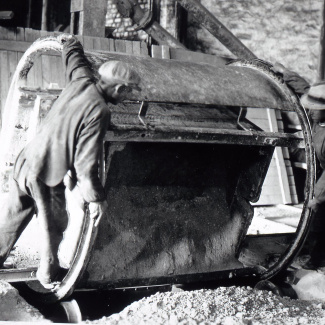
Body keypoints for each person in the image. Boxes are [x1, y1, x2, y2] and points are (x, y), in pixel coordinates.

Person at [0, 34, 141, 289]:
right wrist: (96, 198)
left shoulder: (82, 80)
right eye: (129, 92)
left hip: (26, 158)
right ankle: (48, 276)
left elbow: (75, 60)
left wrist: (71, 43)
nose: (128, 97)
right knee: (55, 225)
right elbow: (85, 163)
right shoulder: (100, 110)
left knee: (13, 216)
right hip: (46, 172)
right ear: (119, 88)